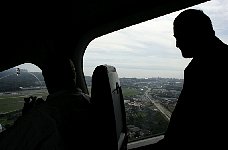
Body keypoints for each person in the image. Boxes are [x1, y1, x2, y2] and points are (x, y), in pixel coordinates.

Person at [156, 9, 228, 148]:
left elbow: (185, 122)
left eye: (179, 37)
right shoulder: (205, 63)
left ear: (195, 34)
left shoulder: (201, 69)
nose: (177, 44)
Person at [0, 56, 92, 150]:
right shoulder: (92, 103)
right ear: (74, 74)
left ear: (47, 78)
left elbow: (6, 143)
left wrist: (26, 116)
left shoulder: (40, 117)